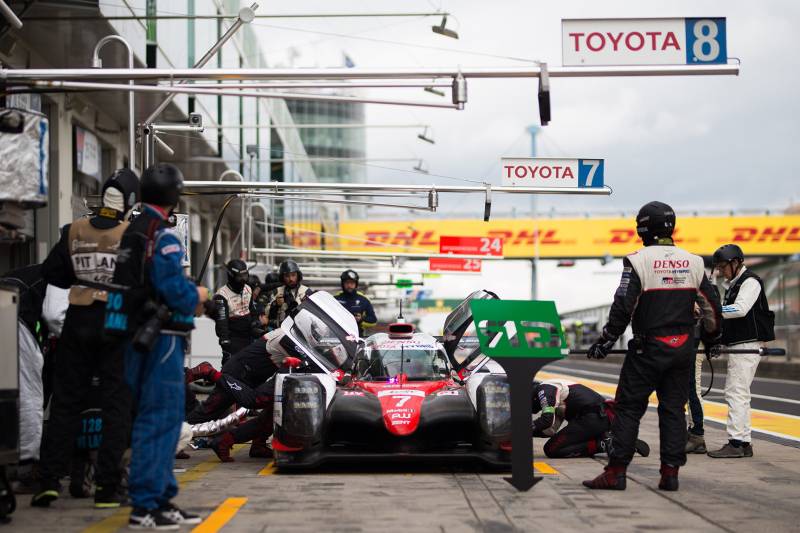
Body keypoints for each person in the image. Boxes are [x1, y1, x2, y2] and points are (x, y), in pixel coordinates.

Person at [583, 201, 721, 492]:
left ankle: (616, 472)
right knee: (673, 411)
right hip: (683, 348)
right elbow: (711, 308)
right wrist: (712, 338)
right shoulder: (695, 262)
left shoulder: (637, 260)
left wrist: (606, 340)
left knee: (629, 409)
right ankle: (670, 474)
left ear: (642, 228)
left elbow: (623, 306)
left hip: (648, 349)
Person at [105, 163, 208, 529]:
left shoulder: (133, 231)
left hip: (134, 339)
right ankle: (146, 505)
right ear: (173, 195)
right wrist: (197, 293)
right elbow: (174, 291)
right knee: (160, 421)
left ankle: (161, 498)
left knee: (156, 419)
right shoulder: (162, 236)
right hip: (161, 340)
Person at [31, 169, 140, 509]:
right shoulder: (132, 234)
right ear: (130, 203)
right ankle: (107, 488)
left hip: (77, 321)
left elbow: (52, 273)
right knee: (116, 405)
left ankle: (47, 481)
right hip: (116, 320)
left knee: (65, 402)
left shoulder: (73, 230)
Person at [707, 244, 774, 459]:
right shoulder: (735, 284)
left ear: (735, 263)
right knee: (740, 393)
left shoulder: (750, 281)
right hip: (740, 344)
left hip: (747, 345)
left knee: (735, 392)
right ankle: (744, 442)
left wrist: (712, 310)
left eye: (723, 267)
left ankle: (735, 442)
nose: (721, 271)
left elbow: (740, 309)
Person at [1, 265, 47, 493]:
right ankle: (26, 467)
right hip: (12, 318)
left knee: (8, 397)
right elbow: (57, 316)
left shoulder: (32, 272)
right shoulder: (61, 276)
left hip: (8, 309)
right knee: (29, 395)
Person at [532, 380, 649, 459]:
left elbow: (546, 420)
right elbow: (550, 429)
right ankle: (607, 437)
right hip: (598, 418)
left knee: (552, 449)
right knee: (561, 443)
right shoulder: (554, 395)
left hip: (593, 418)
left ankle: (604, 443)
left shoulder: (544, 389)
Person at [213, 259, 260, 366]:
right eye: (240, 277)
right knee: (231, 367)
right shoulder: (222, 295)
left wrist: (256, 321)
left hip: (249, 336)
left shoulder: (248, 289)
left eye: (245, 275)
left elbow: (252, 309)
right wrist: (224, 339)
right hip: (233, 337)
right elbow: (221, 320)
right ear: (231, 276)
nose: (243, 280)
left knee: (250, 367)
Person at [266, 260, 309, 330]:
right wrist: (275, 304)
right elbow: (267, 315)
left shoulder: (306, 291)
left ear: (298, 275)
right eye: (287, 276)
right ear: (282, 277)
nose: (291, 279)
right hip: (282, 330)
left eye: (293, 275)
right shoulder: (277, 292)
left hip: (302, 329)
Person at [335, 269, 377, 336]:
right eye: (347, 283)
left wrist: (361, 319)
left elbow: (373, 320)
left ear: (356, 284)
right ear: (343, 284)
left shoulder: (363, 299)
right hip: (338, 337)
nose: (349, 285)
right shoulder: (335, 299)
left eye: (352, 283)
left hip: (358, 337)